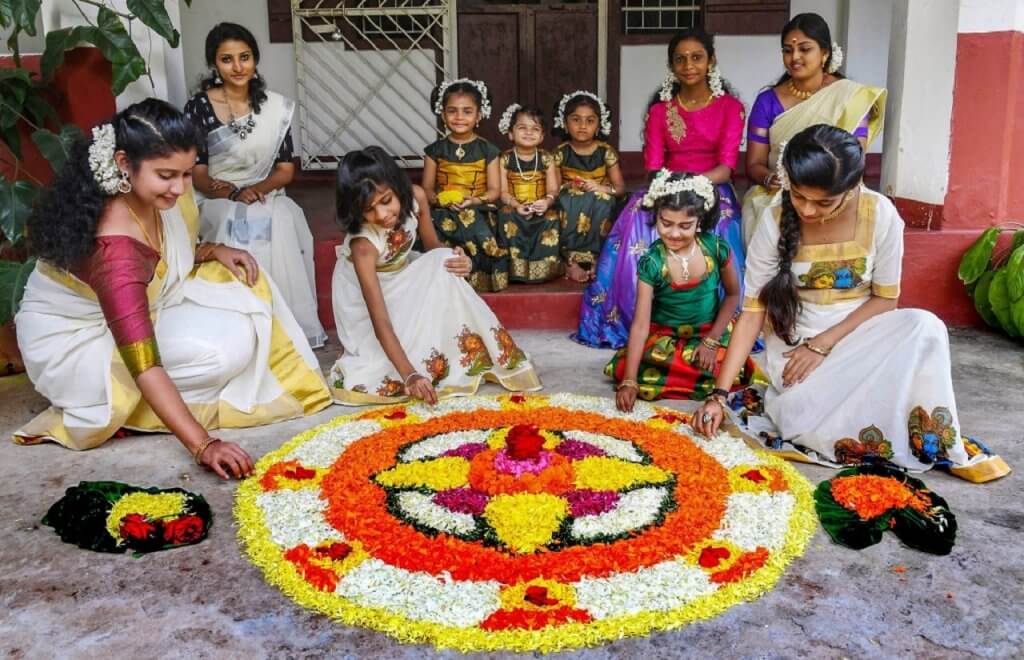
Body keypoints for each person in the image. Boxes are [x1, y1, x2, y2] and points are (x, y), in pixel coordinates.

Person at [14, 99, 332, 479]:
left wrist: (213, 250)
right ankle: (118, 405)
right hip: (73, 346)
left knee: (243, 295)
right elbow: (145, 364)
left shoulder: (144, 196)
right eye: (166, 176)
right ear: (121, 164)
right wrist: (204, 444)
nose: (180, 189)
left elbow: (164, 257)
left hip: (135, 310)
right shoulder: (115, 250)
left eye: (185, 174)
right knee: (221, 356)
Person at [693, 125, 1011, 484]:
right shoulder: (775, 219)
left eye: (824, 202)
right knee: (816, 424)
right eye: (798, 196)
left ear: (853, 187)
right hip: (797, 351)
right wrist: (718, 395)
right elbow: (753, 312)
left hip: (858, 334)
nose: (808, 210)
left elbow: (885, 299)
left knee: (926, 325)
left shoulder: (881, 214)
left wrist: (825, 343)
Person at [575, 28, 746, 349]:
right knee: (640, 218)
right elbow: (654, 166)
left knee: (718, 222)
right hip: (666, 186)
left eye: (697, 57)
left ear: (712, 60)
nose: (689, 65)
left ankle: (711, 322)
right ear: (671, 65)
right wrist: (670, 187)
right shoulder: (659, 111)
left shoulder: (730, 107)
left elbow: (726, 167)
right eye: (680, 59)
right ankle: (636, 322)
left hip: (713, 187)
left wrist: (695, 184)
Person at [329, 146, 542, 405]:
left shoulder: (416, 198)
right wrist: (409, 375)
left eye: (385, 201)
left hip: (401, 278)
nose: (382, 215)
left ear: (397, 186)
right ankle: (401, 359)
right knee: (385, 373)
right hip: (366, 305)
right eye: (368, 209)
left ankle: (478, 352)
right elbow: (379, 317)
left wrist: (462, 261)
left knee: (446, 260)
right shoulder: (363, 245)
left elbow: (434, 247)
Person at [183, 22, 326, 348]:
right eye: (227, 59)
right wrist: (234, 193)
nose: (237, 67)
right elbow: (199, 174)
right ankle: (243, 323)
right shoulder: (199, 107)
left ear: (255, 59)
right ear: (214, 64)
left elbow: (286, 170)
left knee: (281, 216)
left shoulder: (275, 107)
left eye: (244, 57)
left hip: (264, 190)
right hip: (216, 195)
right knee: (233, 220)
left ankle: (283, 324)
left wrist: (256, 190)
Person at [610, 171, 756, 410]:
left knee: (729, 366)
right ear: (656, 217)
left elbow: (732, 296)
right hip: (665, 337)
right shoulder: (652, 261)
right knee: (641, 367)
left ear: (701, 221)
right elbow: (640, 324)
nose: (674, 233)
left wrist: (711, 341)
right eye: (665, 223)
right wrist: (629, 380)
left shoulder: (717, 248)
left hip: (709, 333)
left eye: (685, 226)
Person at [742, 12, 886, 246]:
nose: (794, 57)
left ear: (825, 53)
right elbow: (754, 164)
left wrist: (825, 192)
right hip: (781, 192)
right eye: (787, 50)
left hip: (835, 191)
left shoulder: (848, 96)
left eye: (805, 49)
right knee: (762, 215)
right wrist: (769, 178)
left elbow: (855, 160)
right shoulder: (767, 101)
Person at [422, 79, 508, 292]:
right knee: (437, 221)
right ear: (443, 115)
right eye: (452, 111)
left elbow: (495, 190)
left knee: (471, 218)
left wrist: (474, 200)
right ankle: (446, 271)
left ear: (478, 116)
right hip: (444, 208)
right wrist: (440, 200)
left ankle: (475, 270)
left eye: (467, 111)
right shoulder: (435, 151)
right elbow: (426, 189)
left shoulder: (489, 150)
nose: (459, 117)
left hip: (477, 206)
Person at [551, 91, 625, 282]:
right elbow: (555, 188)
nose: (583, 126)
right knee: (569, 198)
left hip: (599, 195)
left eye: (590, 120)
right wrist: (572, 185)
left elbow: (619, 188)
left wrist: (601, 188)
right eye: (576, 120)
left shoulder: (606, 152)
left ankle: (597, 260)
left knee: (603, 201)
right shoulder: (560, 153)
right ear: (565, 123)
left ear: (599, 125)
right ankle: (571, 261)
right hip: (571, 196)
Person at [495, 104, 563, 283]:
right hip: (514, 206)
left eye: (535, 129)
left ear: (541, 136)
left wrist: (546, 202)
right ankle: (516, 269)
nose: (528, 133)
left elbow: (553, 190)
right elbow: (502, 192)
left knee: (551, 218)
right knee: (506, 216)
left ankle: (544, 269)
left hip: (539, 206)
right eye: (522, 128)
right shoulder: (505, 159)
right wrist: (517, 205)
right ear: (510, 133)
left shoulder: (547, 158)